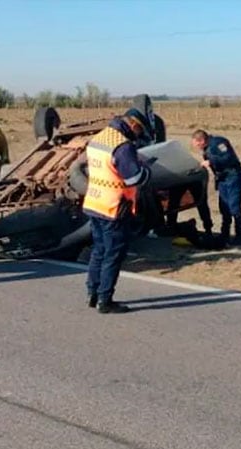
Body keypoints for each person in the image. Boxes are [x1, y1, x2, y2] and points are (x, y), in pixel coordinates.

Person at [83, 109, 152, 314]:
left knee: (99, 250)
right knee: (113, 254)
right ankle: (105, 300)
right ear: (133, 125)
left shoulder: (99, 137)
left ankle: (92, 292)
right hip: (114, 207)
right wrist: (146, 169)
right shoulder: (122, 146)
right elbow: (134, 179)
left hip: (94, 203)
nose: (139, 134)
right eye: (140, 129)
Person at [192, 129, 241, 245]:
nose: (196, 147)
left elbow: (228, 157)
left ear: (201, 141)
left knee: (234, 206)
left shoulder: (219, 143)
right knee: (224, 206)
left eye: (196, 144)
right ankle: (225, 233)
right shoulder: (206, 150)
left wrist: (211, 161)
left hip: (232, 176)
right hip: (222, 179)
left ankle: (240, 234)